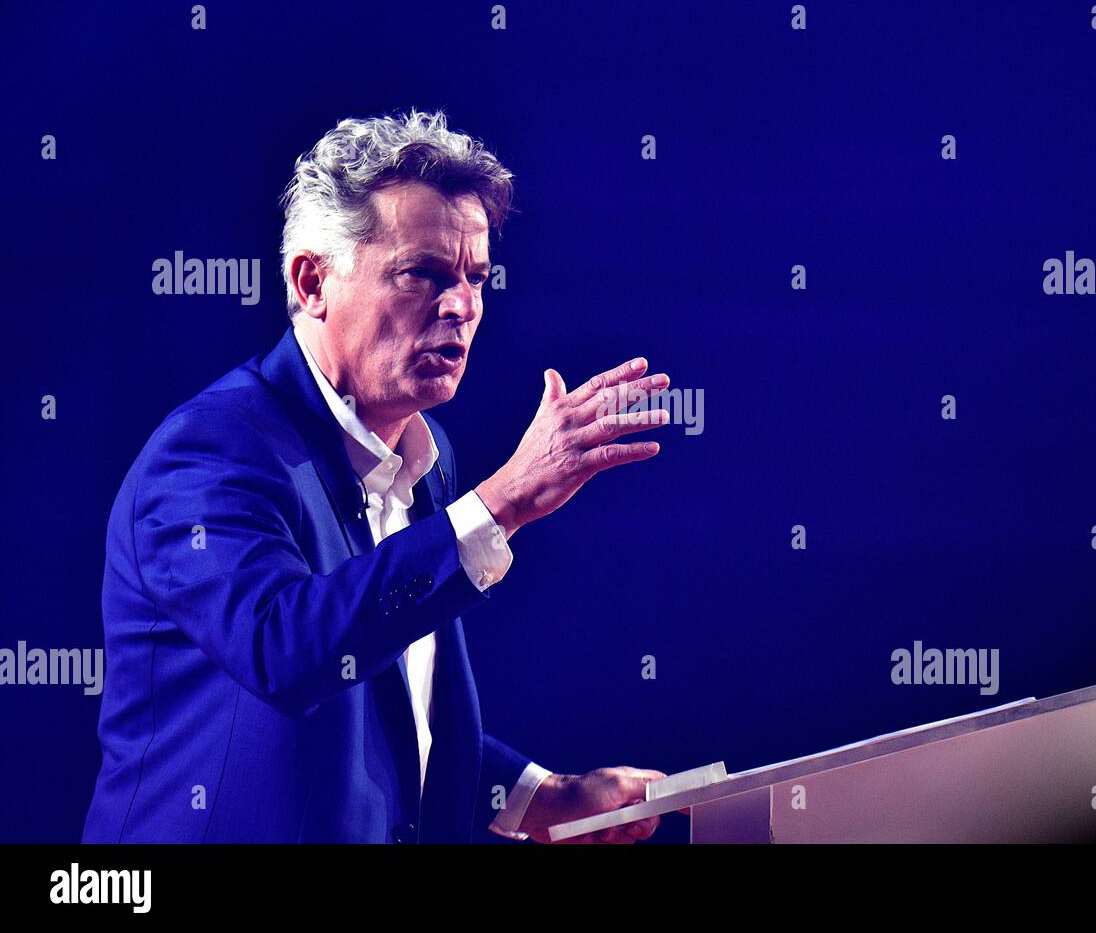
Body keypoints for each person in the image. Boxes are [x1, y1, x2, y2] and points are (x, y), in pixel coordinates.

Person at [82, 109, 672, 843]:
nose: (460, 306)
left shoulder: (428, 457)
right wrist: (502, 503)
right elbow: (286, 652)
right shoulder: (208, 454)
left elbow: (393, 717)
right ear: (313, 281)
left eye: (475, 278)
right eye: (422, 273)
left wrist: (542, 796)